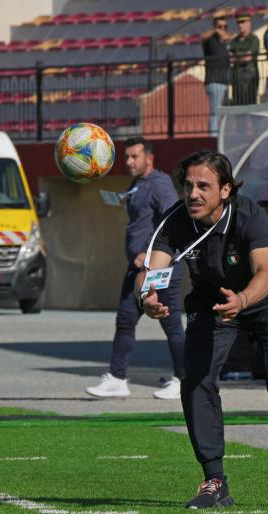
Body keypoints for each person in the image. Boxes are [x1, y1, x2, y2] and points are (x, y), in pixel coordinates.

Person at [138, 150, 268, 509]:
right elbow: (151, 273)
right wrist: (147, 298)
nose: (193, 194)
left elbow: (266, 273)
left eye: (203, 186)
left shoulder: (250, 215)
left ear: (226, 190)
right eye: (188, 186)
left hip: (265, 299)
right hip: (211, 303)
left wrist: (243, 300)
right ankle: (215, 481)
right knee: (196, 380)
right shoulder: (175, 221)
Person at [86, 137, 185, 400]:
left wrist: (150, 253)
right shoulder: (138, 184)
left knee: (171, 323)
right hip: (136, 269)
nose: (129, 162)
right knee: (125, 320)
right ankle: (117, 379)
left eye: (134, 157)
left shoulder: (160, 185)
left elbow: (172, 221)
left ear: (149, 158)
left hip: (160, 268)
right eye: (126, 157)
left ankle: (185, 380)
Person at [201, 16, 235, 136]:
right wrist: (215, 31)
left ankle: (220, 136)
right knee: (215, 112)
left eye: (224, 27)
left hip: (224, 81)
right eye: (219, 26)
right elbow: (202, 37)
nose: (222, 29)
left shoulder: (224, 43)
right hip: (214, 80)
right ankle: (213, 137)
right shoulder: (210, 40)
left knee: (223, 112)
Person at [229, 14, 261, 105]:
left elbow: (248, 58)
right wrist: (242, 56)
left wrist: (237, 57)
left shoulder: (253, 39)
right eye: (238, 23)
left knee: (250, 104)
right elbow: (230, 58)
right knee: (238, 104)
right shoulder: (235, 40)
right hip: (236, 77)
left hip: (249, 78)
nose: (240, 25)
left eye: (243, 22)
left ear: (249, 23)